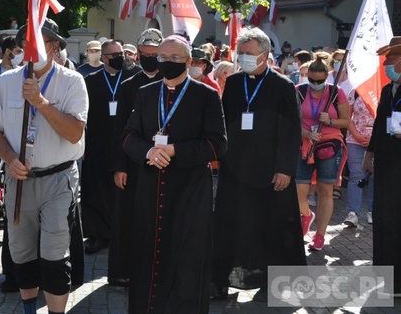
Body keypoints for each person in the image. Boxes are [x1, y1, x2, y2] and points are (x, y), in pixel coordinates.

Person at [0, 18, 88, 314]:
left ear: (54, 47)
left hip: (58, 179)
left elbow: (74, 132)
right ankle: (29, 309)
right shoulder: (6, 81)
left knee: (55, 254)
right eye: (27, 42)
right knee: (22, 252)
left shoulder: (72, 81)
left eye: (40, 41)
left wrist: (40, 102)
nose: (31, 48)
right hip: (20, 179)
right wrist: (10, 159)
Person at [123, 35, 227, 313]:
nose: (166, 63)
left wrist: (174, 151)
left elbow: (218, 144)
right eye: (162, 58)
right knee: (148, 255)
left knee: (187, 258)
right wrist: (148, 152)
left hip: (189, 192)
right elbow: (129, 135)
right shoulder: (146, 93)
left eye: (174, 59)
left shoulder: (206, 95)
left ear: (189, 61)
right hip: (150, 187)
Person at [211, 27, 305, 302]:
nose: (243, 58)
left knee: (272, 226)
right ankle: (219, 281)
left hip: (271, 171)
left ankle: (274, 283)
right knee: (230, 223)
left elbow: (292, 131)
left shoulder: (283, 86)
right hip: (236, 169)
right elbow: (225, 122)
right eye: (241, 53)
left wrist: (286, 168)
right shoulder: (235, 82)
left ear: (265, 55)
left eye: (249, 53)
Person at [108, 28, 163, 287]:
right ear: (138, 55)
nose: (151, 58)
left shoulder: (174, 82)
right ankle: (127, 271)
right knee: (131, 218)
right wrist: (119, 166)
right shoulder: (129, 85)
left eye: (156, 54)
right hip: (134, 161)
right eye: (146, 54)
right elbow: (120, 129)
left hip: (166, 161)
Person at [295, 55, 350, 251]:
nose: (315, 84)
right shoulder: (299, 91)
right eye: (311, 80)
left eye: (319, 81)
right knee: (299, 189)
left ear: (327, 77)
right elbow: (292, 121)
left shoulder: (337, 93)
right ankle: (306, 214)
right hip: (304, 144)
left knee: (325, 191)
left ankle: (320, 234)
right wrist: (307, 133)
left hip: (329, 145)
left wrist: (330, 121)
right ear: (307, 76)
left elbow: (346, 121)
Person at [363, 36, 401, 294]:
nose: (386, 64)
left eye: (392, 59)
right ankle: (389, 278)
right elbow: (379, 125)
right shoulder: (389, 90)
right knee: (385, 219)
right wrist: (370, 153)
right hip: (387, 166)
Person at [82, 39, 125, 255]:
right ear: (105, 57)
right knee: (96, 190)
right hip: (97, 144)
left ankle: (119, 233)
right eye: (115, 55)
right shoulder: (90, 81)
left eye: (121, 53)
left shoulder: (131, 78)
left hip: (123, 144)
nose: (120, 58)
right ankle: (97, 234)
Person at [343, 85, 374, 227]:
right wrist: (357, 136)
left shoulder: (383, 91)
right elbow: (346, 118)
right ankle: (352, 212)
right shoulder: (354, 92)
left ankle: (372, 211)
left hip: (377, 141)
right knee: (356, 174)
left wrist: (373, 139)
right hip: (354, 140)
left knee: (375, 176)